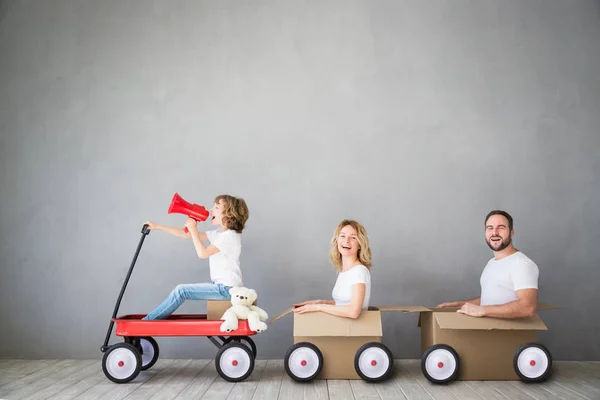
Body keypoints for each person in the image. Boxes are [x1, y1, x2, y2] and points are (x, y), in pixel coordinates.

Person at [142, 194, 249, 320]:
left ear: (229, 214)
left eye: (216, 207)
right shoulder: (219, 234)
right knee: (182, 290)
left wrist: (193, 230)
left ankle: (147, 322)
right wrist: (157, 227)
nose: (211, 210)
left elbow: (203, 253)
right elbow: (184, 234)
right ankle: (148, 321)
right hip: (223, 287)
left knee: (182, 291)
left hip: (227, 289)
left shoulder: (229, 236)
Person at [438, 210, 539, 318]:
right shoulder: (491, 263)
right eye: (490, 228)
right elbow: (492, 299)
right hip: (489, 332)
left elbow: (527, 308)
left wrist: (483, 310)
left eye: (501, 227)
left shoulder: (521, 264)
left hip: (510, 334)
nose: (495, 233)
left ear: (511, 232)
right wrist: (461, 304)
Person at [293, 219, 372, 319]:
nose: (346, 241)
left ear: (360, 244)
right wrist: (318, 302)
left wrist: (319, 307)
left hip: (353, 331)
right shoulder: (344, 271)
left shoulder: (359, 271)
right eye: (342, 236)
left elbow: (353, 312)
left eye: (353, 238)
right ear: (337, 240)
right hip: (342, 328)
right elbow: (342, 303)